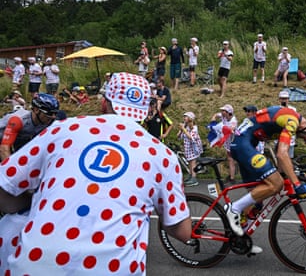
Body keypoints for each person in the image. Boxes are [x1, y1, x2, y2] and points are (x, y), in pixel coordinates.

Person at [0, 72, 192, 275]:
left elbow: (5, 190)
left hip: (33, 266)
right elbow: (182, 231)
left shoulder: (63, 129)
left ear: (104, 102)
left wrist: (36, 202)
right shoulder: (162, 155)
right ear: (146, 111)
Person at [227, 106, 306, 241]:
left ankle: (240, 239)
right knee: (277, 184)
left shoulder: (292, 119)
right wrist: (297, 184)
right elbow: (282, 154)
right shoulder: (292, 121)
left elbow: (280, 150)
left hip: (245, 143)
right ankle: (234, 209)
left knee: (256, 201)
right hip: (244, 144)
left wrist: (288, 172)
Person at [0, 93, 59, 161]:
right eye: (50, 113)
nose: (53, 116)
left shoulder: (48, 121)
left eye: (55, 113)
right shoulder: (18, 120)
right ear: (36, 110)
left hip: (17, 138)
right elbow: (4, 149)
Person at [211, 104, 237, 184]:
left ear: (228, 112)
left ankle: (232, 177)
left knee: (231, 159)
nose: (222, 112)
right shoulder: (223, 116)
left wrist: (222, 128)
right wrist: (213, 118)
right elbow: (216, 115)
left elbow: (231, 129)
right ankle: (231, 176)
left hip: (233, 141)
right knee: (230, 159)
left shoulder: (233, 120)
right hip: (227, 141)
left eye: (224, 111)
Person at [178, 111, 203, 187]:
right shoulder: (185, 126)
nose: (184, 118)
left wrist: (183, 129)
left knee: (193, 162)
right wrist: (181, 130)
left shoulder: (194, 127)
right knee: (189, 162)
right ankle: (190, 175)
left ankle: (194, 178)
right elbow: (178, 136)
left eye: (186, 116)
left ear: (190, 118)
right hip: (188, 147)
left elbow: (191, 137)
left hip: (193, 147)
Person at [277, 90, 296, 158]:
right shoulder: (277, 109)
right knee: (280, 157)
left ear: (288, 99)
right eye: (282, 98)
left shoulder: (293, 109)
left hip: (290, 138)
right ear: (279, 99)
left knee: (290, 158)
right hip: (280, 138)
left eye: (285, 98)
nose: (284, 100)